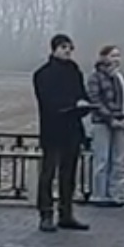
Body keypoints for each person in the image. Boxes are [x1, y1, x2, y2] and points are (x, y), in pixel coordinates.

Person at [32, 33, 91, 232]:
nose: (68, 51)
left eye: (70, 48)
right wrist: (70, 104)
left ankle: (66, 213)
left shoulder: (75, 71)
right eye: (64, 47)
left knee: (69, 174)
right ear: (55, 48)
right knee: (48, 173)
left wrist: (83, 104)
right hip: (53, 130)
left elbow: (82, 94)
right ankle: (46, 213)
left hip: (72, 130)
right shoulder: (43, 74)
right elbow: (47, 102)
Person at [86, 44, 124, 207]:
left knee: (118, 160)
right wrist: (111, 119)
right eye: (113, 55)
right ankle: (99, 195)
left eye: (118, 55)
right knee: (102, 159)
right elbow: (95, 100)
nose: (116, 59)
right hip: (102, 122)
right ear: (103, 57)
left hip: (121, 121)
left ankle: (114, 193)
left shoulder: (121, 77)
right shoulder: (96, 77)